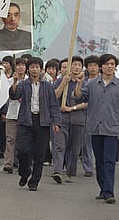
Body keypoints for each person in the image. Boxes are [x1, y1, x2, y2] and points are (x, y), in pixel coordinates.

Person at [9, 57, 61, 191]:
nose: (34, 69)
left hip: (42, 121)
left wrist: (56, 122)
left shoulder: (47, 86)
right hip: (26, 120)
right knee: (22, 150)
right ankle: (25, 172)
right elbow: (14, 95)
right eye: (32, 67)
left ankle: (34, 181)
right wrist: (15, 81)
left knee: (40, 153)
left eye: (37, 67)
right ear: (28, 69)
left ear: (41, 69)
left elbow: (53, 105)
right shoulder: (23, 84)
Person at [75, 53, 119, 204]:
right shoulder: (92, 84)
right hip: (95, 127)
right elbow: (79, 98)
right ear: (101, 66)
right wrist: (79, 83)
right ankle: (103, 188)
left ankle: (109, 192)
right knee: (99, 161)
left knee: (109, 161)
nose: (110, 67)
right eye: (107, 64)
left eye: (112, 64)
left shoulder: (118, 85)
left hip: (112, 128)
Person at [51, 56, 87, 184]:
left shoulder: (85, 82)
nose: (76, 67)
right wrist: (63, 83)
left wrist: (72, 108)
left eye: (79, 65)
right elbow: (54, 96)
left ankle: (70, 172)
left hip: (78, 119)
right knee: (59, 145)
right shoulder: (60, 80)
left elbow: (85, 101)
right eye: (74, 64)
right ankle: (58, 171)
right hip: (61, 119)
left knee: (75, 147)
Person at [2, 58, 27, 174]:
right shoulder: (9, 80)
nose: (21, 67)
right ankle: (8, 163)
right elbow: (9, 95)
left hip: (25, 115)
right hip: (12, 114)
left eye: (23, 65)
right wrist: (15, 83)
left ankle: (21, 162)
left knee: (22, 141)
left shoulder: (29, 81)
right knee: (10, 139)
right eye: (18, 65)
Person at [81, 55, 100, 177]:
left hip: (101, 115)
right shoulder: (83, 82)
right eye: (90, 66)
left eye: (95, 65)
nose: (92, 68)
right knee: (86, 143)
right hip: (85, 115)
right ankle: (88, 167)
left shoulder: (103, 81)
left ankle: (100, 164)